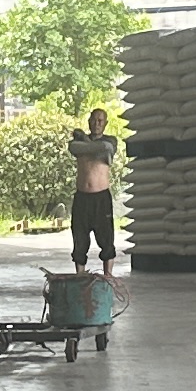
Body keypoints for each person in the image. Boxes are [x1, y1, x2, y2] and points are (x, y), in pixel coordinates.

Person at [65, 104, 118, 274]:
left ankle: (108, 277)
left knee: (106, 239)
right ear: (89, 121)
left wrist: (86, 142)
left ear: (106, 123)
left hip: (101, 198)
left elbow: (106, 149)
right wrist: (89, 145)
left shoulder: (110, 141)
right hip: (82, 198)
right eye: (94, 120)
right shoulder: (77, 144)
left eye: (100, 121)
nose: (97, 123)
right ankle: (80, 276)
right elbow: (73, 148)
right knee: (79, 239)